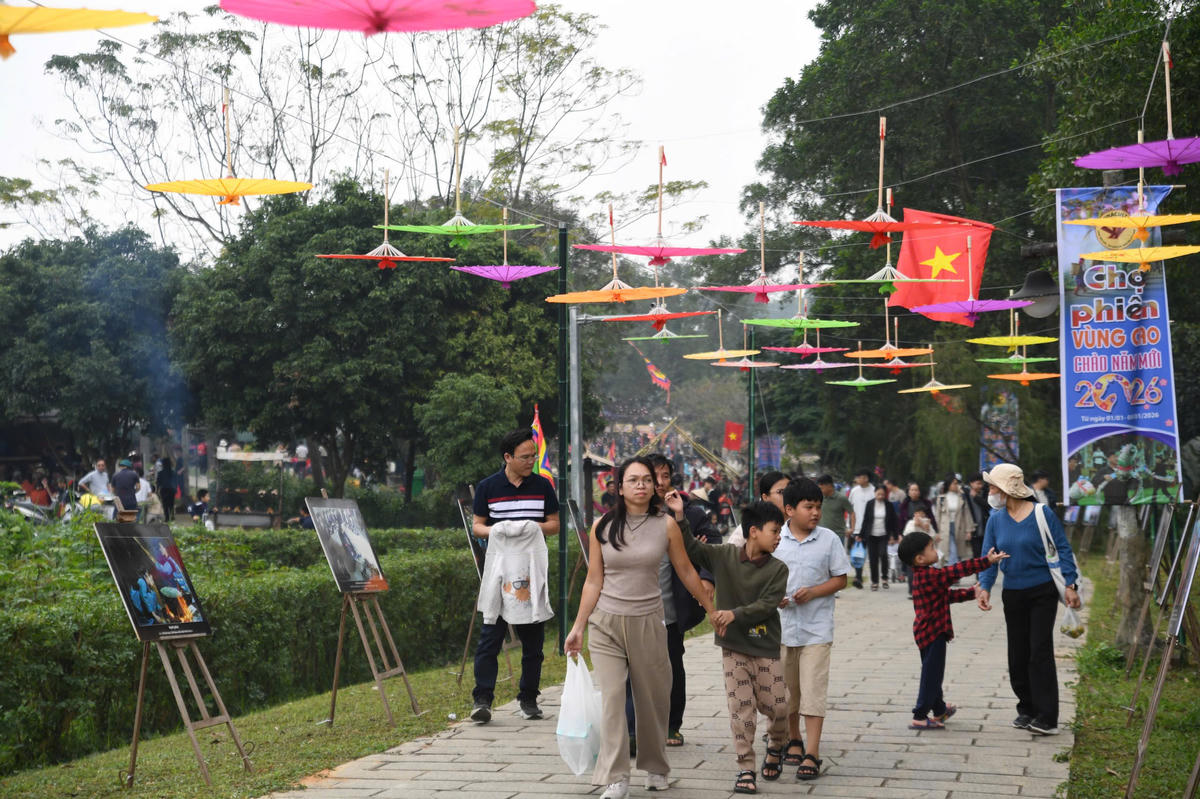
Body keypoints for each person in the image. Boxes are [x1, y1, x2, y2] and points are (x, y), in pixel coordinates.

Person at [564, 457, 715, 799]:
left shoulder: (666, 526)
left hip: (649, 620)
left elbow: (687, 571)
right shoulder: (602, 527)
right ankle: (616, 776)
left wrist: (711, 608)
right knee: (614, 700)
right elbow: (592, 581)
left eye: (647, 480)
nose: (642, 485)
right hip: (606, 624)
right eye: (633, 480)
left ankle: (657, 766)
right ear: (619, 487)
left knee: (652, 698)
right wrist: (578, 627)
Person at [676, 499, 790, 795]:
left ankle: (777, 745)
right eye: (775, 530)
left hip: (765, 646)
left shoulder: (779, 569)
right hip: (733, 647)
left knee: (777, 707)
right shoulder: (725, 555)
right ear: (754, 531)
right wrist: (680, 517)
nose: (779, 537)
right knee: (741, 709)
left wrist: (733, 614)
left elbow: (767, 605)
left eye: (780, 531)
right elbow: (692, 549)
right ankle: (745, 769)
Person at [977, 463, 1081, 736]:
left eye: (992, 487)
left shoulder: (1041, 513)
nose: (989, 491)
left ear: (1006, 489)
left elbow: (1063, 549)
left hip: (1042, 591)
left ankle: (1047, 717)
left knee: (1039, 652)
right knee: (1018, 655)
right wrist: (985, 586)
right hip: (1013, 593)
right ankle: (1027, 708)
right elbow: (988, 556)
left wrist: (1070, 584)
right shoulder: (995, 519)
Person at [623, 454, 713, 753]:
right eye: (651, 477)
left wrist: (707, 581)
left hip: (671, 605)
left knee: (672, 663)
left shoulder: (688, 513)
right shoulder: (624, 516)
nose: (658, 483)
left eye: (663, 477)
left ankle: (672, 722)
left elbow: (708, 549)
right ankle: (633, 728)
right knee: (630, 668)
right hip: (630, 607)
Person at [470, 429, 560, 724]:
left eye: (534, 455)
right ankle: (482, 698)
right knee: (489, 638)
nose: (531, 461)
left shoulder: (543, 486)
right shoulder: (488, 487)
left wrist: (531, 527)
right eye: (525, 457)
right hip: (499, 572)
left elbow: (554, 524)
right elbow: (478, 527)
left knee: (533, 642)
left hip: (531, 572)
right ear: (507, 457)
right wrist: (500, 529)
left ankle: (529, 698)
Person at [774, 478, 850, 781]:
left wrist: (815, 591)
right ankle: (794, 739)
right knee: (788, 689)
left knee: (813, 689)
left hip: (817, 629)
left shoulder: (829, 539)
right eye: (809, 507)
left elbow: (841, 578)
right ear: (790, 509)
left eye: (818, 507)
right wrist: (772, 597)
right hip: (781, 628)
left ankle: (813, 752)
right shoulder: (776, 538)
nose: (815, 513)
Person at [898, 531, 1009, 729]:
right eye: (931, 548)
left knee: (933, 672)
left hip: (927, 633)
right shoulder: (930, 575)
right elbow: (956, 571)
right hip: (933, 633)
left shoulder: (923, 576)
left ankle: (939, 709)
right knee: (932, 675)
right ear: (920, 558)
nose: (936, 551)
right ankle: (920, 715)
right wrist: (986, 561)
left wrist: (970, 592)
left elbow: (946, 596)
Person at [726, 470, 789, 548]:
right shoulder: (750, 527)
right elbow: (730, 554)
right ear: (765, 497)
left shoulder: (802, 526)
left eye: (790, 491)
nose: (788, 496)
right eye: (781, 492)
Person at [856, 484, 899, 590]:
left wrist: (894, 536)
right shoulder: (870, 504)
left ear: (885, 495)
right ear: (875, 493)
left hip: (884, 534)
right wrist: (860, 535)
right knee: (873, 558)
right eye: (878, 494)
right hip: (871, 535)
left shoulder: (889, 505)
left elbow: (894, 521)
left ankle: (884, 578)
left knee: (883, 554)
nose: (880, 496)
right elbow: (866, 520)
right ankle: (874, 581)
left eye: (882, 494)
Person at [934, 475, 976, 566]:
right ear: (948, 485)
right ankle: (952, 572)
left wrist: (969, 530)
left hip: (959, 526)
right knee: (951, 550)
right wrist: (936, 531)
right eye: (954, 483)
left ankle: (951, 571)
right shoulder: (941, 498)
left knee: (957, 551)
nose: (956, 485)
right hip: (945, 528)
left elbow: (967, 514)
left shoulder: (961, 497)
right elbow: (938, 516)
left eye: (957, 484)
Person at [816, 474, 854, 548]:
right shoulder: (819, 498)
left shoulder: (841, 498)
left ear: (829, 485)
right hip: (821, 534)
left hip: (838, 535)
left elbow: (852, 513)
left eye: (821, 488)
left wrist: (852, 529)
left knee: (837, 558)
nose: (820, 490)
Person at [965, 473, 989, 558]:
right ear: (971, 483)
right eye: (978, 483)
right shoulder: (966, 496)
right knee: (976, 553)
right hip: (973, 529)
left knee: (985, 552)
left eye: (981, 483)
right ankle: (979, 571)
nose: (980, 486)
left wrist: (976, 497)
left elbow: (987, 505)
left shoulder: (985, 493)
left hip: (984, 528)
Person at [847, 470, 875, 542]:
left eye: (859, 477)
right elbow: (849, 509)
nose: (857, 479)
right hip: (855, 528)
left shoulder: (874, 491)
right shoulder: (854, 491)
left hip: (870, 529)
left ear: (866, 478)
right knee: (854, 552)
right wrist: (848, 525)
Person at [156, 456, 176, 522]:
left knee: (165, 504)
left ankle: (167, 517)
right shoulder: (173, 472)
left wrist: (157, 490)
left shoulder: (160, 473)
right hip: (172, 489)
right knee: (171, 503)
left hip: (164, 490)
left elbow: (158, 482)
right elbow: (176, 481)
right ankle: (172, 516)